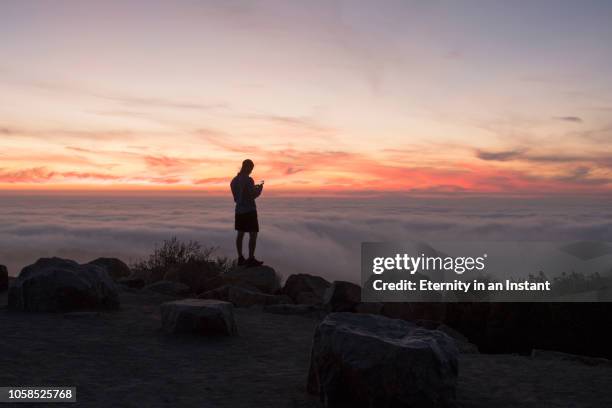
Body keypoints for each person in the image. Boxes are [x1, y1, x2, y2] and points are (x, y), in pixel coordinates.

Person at [230, 159, 264, 267]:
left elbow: (238, 196)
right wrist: (259, 189)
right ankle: (251, 258)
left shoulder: (234, 181)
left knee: (240, 234)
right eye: (251, 169)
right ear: (247, 167)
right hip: (249, 210)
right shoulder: (249, 180)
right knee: (253, 234)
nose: (251, 171)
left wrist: (252, 189)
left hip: (239, 210)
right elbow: (252, 195)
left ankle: (240, 257)